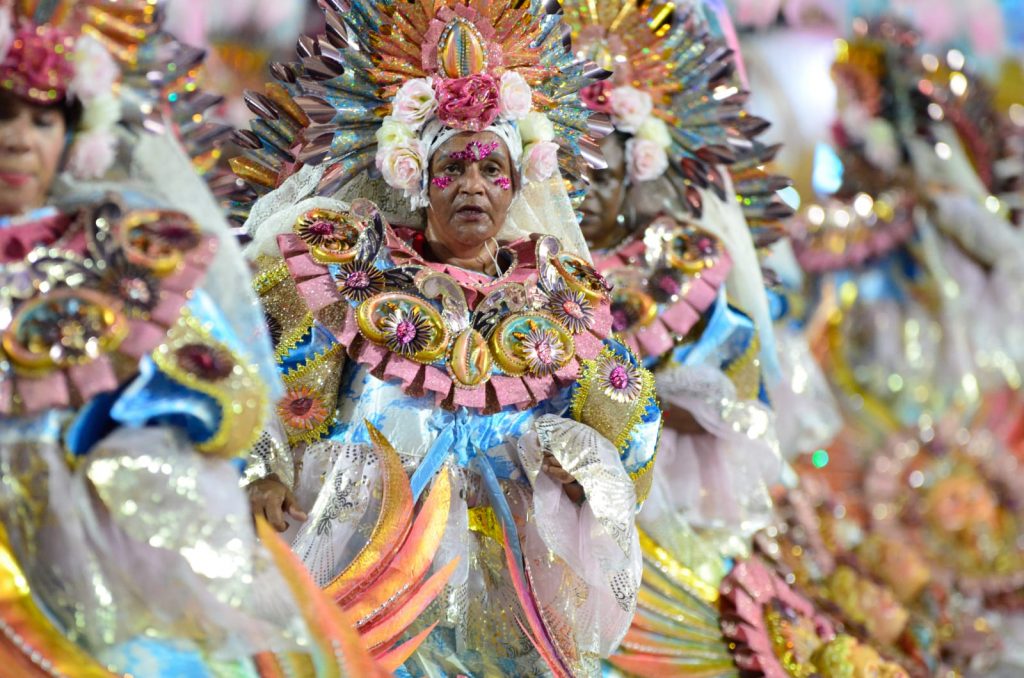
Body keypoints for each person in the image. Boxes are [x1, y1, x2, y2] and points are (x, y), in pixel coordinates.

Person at [238, 0, 661, 675]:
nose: (473, 187)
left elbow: (631, 416)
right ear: (417, 178)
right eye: (453, 169)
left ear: (518, 184)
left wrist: (589, 475)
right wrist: (261, 470)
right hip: (370, 574)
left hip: (509, 592)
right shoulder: (350, 275)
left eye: (492, 171)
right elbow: (258, 375)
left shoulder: (557, 300)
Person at [0, 2, 384, 674]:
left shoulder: (128, 259)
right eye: (4, 116)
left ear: (75, 136)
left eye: (41, 120)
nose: (17, 140)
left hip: (85, 540)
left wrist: (129, 458)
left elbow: (221, 390)